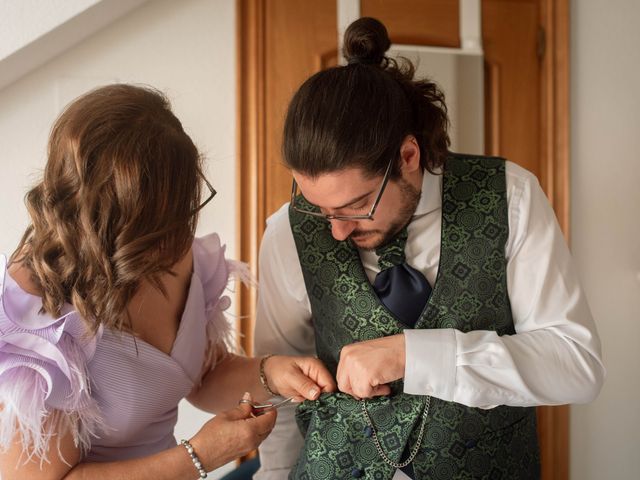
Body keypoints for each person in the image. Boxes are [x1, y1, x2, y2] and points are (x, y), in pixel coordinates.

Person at [253, 17, 605, 480]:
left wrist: (412, 355)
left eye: (356, 206)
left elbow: (577, 366)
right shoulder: (288, 231)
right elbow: (281, 396)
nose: (335, 231)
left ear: (408, 157)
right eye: (320, 208)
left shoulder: (510, 196)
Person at [0, 84, 336, 480]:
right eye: (163, 220)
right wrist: (199, 456)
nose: (180, 235)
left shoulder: (178, 252)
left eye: (184, 207)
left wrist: (270, 373)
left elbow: (204, 377)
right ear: (113, 218)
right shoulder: (43, 313)